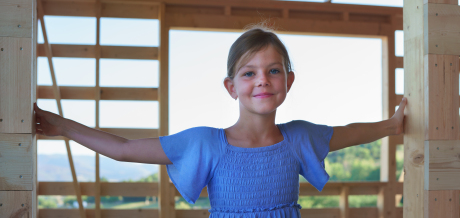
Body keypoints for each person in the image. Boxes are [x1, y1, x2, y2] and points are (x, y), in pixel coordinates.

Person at [34, 26, 408, 217]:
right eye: (249, 73)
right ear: (231, 87)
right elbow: (124, 149)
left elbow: (350, 133)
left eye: (273, 70)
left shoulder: (299, 138)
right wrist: (61, 126)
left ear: (288, 81)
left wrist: (391, 126)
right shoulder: (205, 143)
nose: (262, 79)